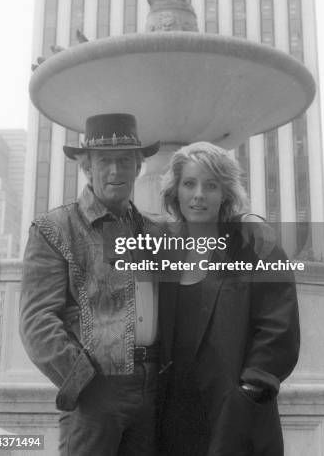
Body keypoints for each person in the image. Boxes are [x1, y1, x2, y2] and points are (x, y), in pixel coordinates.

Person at [19, 113, 161, 456]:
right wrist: (83, 380)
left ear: (139, 167)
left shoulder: (153, 232)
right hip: (95, 391)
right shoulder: (54, 228)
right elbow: (36, 322)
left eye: (125, 160)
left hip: (153, 385)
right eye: (105, 162)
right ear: (86, 168)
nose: (115, 171)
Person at [158, 141, 300, 456]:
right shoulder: (161, 252)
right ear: (175, 191)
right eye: (189, 184)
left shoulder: (256, 247)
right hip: (172, 419)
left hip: (235, 418)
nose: (198, 195)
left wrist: (247, 394)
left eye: (211, 186)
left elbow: (279, 331)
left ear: (225, 194)